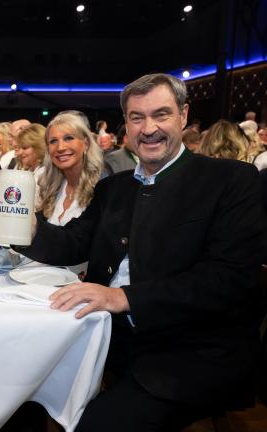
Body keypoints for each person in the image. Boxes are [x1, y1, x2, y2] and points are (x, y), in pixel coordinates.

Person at [17, 73, 266, 432]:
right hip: (106, 336)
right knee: (21, 387)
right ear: (127, 127)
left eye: (161, 115)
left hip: (189, 353)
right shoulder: (113, 188)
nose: (149, 128)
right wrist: (25, 225)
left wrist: (124, 298)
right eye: (137, 118)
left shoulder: (229, 181)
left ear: (183, 116)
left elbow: (228, 280)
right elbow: (72, 243)